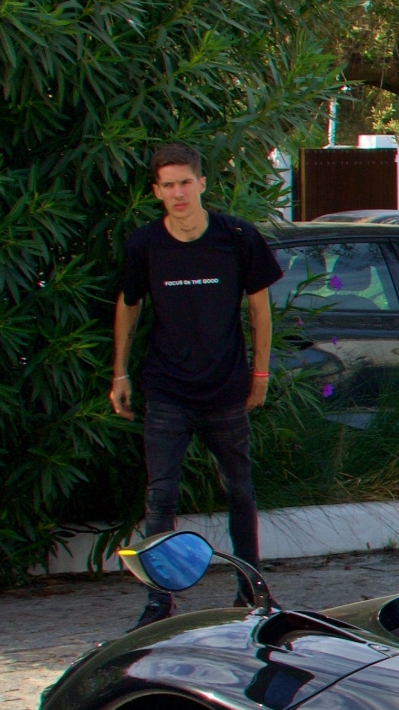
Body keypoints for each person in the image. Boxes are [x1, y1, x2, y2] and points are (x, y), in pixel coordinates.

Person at [110, 145, 282, 620]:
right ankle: (158, 598)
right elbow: (129, 304)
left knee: (239, 489)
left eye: (185, 182)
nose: (178, 193)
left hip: (225, 387)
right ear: (156, 192)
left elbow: (259, 310)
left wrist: (260, 373)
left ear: (202, 183)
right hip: (166, 388)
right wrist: (119, 372)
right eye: (167, 185)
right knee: (160, 493)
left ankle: (251, 588)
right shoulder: (144, 243)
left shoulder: (238, 236)